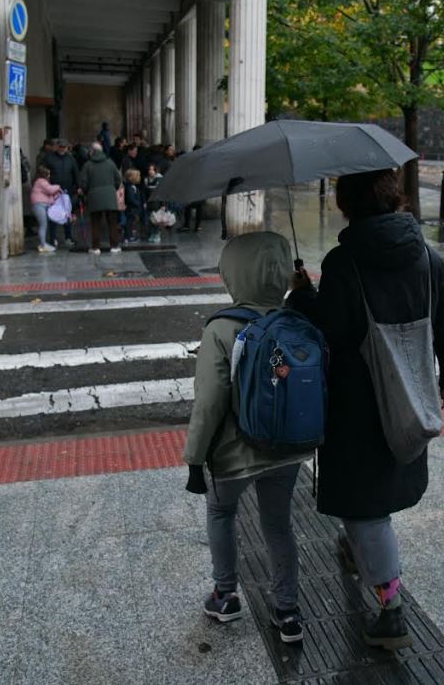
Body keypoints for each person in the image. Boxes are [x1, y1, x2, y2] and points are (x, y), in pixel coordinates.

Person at [286, 168, 444, 651]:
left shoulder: (345, 263)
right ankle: (357, 547)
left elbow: (333, 330)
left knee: (367, 507)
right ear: (394, 198)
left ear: (347, 205)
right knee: (378, 490)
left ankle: (392, 610)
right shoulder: (426, 255)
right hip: (408, 390)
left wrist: (305, 294)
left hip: (358, 403)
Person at [183, 231, 310, 644]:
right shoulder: (299, 320)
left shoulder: (221, 328)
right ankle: (288, 612)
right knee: (278, 525)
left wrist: (195, 457)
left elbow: (209, 402)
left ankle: (225, 596)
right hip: (289, 446)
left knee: (222, 513)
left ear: (232, 272)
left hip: (234, 452)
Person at [78, 142, 122, 254]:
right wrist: (112, 189)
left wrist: (87, 192)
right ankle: (114, 246)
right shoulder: (110, 163)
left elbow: (83, 183)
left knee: (95, 223)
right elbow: (118, 179)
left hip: (94, 197)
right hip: (110, 196)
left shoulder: (87, 165)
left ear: (92, 151)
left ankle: (96, 247)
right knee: (112, 222)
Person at [43, 139, 79, 246]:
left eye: (64, 147)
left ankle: (68, 237)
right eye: (60, 147)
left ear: (67, 148)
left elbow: (76, 173)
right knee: (53, 214)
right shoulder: (49, 158)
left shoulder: (71, 159)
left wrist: (78, 187)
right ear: (57, 147)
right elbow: (44, 174)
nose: (62, 149)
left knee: (67, 214)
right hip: (53, 191)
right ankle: (53, 238)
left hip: (68, 191)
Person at [30, 165, 62, 253]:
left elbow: (49, 196)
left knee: (44, 225)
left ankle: (43, 244)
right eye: (48, 174)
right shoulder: (40, 181)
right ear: (43, 175)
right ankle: (43, 245)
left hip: (41, 205)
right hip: (39, 205)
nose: (49, 176)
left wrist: (57, 194)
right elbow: (50, 190)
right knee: (43, 225)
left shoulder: (42, 182)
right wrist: (58, 187)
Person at [122, 168, 142, 244]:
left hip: (132, 208)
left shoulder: (132, 186)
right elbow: (131, 198)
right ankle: (128, 236)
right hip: (131, 208)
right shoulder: (130, 187)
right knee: (129, 222)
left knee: (131, 222)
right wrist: (137, 203)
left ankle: (128, 236)